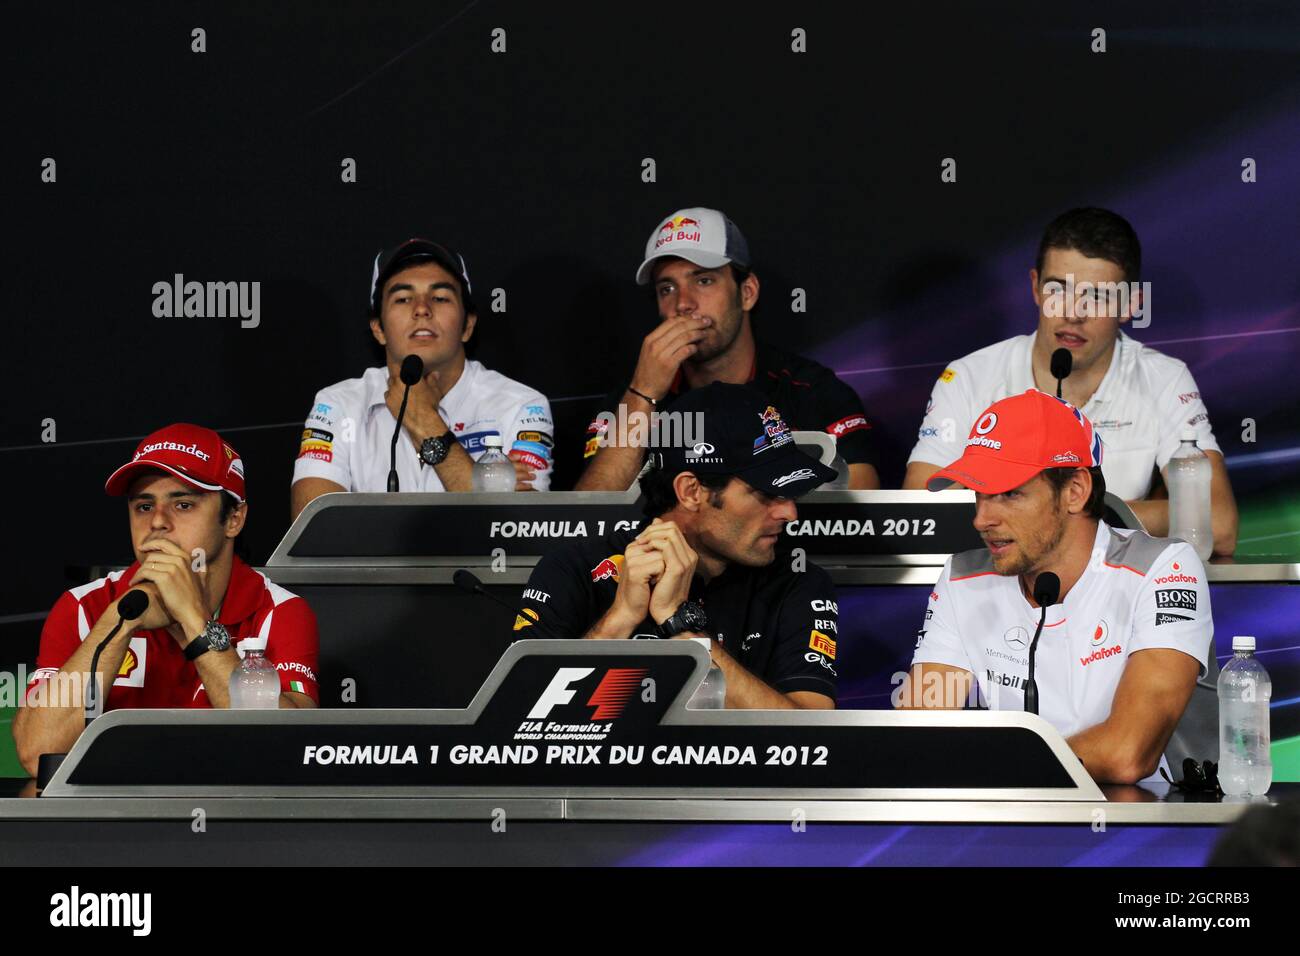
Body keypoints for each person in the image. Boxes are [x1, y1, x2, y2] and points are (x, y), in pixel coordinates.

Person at [896, 389, 1213, 785]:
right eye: (979, 493)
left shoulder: (1163, 568)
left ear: (1075, 492)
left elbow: (1125, 754)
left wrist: (986, 769)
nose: (981, 519)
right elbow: (918, 733)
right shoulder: (962, 576)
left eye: (1010, 493)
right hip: (1009, 823)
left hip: (1142, 829)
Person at [904, 207, 1238, 555]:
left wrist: (1063, 517)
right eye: (1058, 290)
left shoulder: (1163, 379)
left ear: (1131, 305)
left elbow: (1218, 523)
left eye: (1097, 296)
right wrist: (1088, 517)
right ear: (1035, 288)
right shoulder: (969, 377)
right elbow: (921, 511)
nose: (1073, 313)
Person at [13, 424, 319, 777]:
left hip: (236, 819)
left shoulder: (282, 611)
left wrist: (194, 622)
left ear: (234, 519)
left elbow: (290, 749)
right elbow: (37, 752)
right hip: (112, 821)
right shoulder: (83, 609)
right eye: (143, 506)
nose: (157, 521)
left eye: (183, 504)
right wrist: (121, 620)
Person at [519, 383, 841, 709]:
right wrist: (620, 619)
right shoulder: (575, 567)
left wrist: (681, 626)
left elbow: (810, 732)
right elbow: (518, 720)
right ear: (690, 491)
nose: (790, 512)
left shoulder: (797, 583)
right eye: (767, 494)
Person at [576, 207, 880, 491]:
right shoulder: (629, 400)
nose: (683, 303)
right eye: (666, 288)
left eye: (704, 280)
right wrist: (643, 393)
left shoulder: (809, 390)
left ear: (747, 293)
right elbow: (590, 518)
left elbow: (857, 512)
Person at [290, 238, 554, 520]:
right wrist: (482, 487)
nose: (421, 309)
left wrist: (426, 423)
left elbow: (521, 529)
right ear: (378, 329)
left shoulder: (523, 406)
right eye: (403, 298)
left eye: (440, 297)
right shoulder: (337, 405)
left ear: (467, 326)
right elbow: (314, 532)